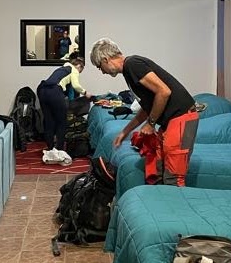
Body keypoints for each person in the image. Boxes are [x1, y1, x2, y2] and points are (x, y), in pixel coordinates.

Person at [89, 38, 198, 186]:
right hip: (169, 121)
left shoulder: (133, 65)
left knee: (173, 178)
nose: (102, 72)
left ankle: (175, 200)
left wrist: (150, 124)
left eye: (99, 67)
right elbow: (147, 108)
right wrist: (125, 132)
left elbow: (164, 92)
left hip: (181, 117)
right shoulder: (128, 71)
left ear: (105, 59)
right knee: (158, 172)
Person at [37, 57, 91, 155]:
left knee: (49, 121)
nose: (79, 73)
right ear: (79, 66)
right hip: (54, 91)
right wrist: (85, 92)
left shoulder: (61, 69)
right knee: (61, 121)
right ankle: (60, 150)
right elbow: (75, 85)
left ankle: (50, 148)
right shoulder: (73, 69)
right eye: (81, 71)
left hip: (42, 90)